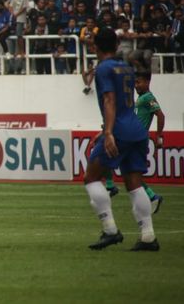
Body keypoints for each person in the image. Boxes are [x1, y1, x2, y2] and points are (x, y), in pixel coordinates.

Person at [82, 28, 159, 251]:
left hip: (119, 132)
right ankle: (148, 237)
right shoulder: (125, 66)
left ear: (95, 46)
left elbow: (109, 100)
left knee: (91, 177)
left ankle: (110, 230)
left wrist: (108, 132)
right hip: (136, 129)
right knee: (134, 184)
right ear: (116, 45)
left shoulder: (103, 68)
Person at [103, 72, 165, 212]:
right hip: (132, 137)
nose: (136, 86)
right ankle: (152, 196)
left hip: (134, 139)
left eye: (139, 82)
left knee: (106, 151)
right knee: (131, 173)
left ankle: (110, 186)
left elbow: (160, 115)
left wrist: (159, 136)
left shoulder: (148, 97)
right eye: (135, 83)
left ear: (147, 82)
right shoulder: (140, 99)